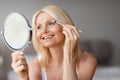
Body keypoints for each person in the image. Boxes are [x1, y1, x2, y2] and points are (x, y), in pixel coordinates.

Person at [11, 5, 97, 80]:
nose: (44, 31)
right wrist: (24, 78)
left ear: (67, 26)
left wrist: (68, 52)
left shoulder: (87, 61)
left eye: (51, 23)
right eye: (39, 27)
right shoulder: (35, 65)